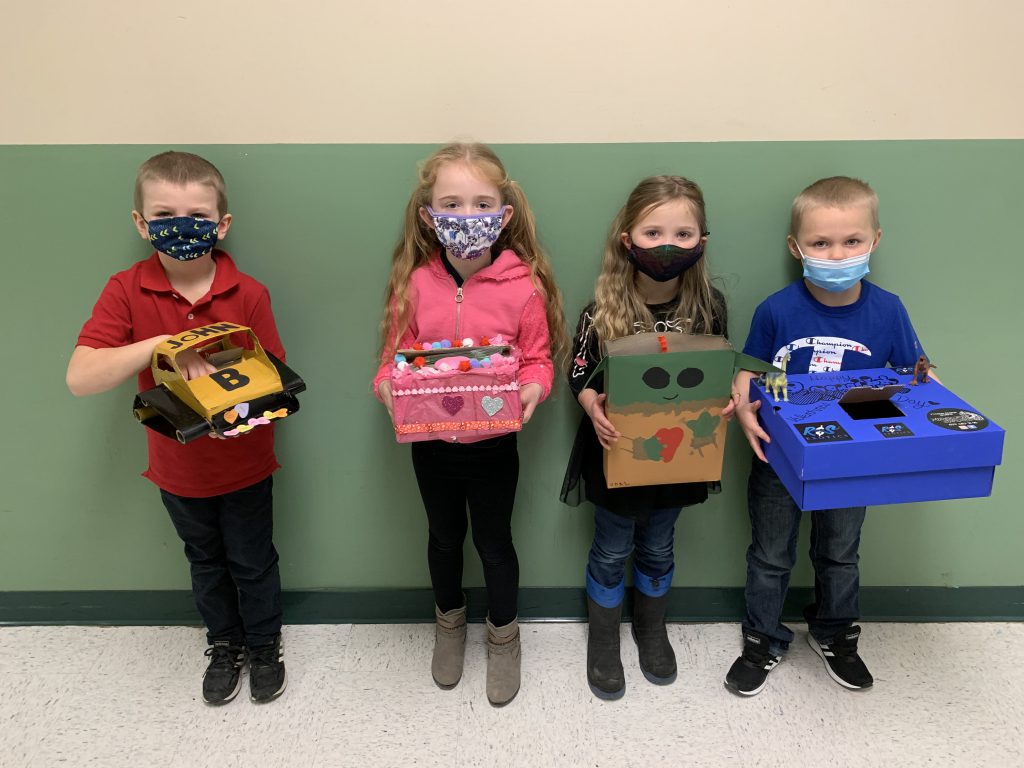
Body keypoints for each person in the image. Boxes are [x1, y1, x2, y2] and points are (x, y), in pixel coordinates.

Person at [66, 151, 288, 705]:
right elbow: (80, 377)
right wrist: (159, 346)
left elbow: (277, 378)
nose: (181, 226)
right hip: (177, 469)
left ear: (222, 224)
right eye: (164, 214)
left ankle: (264, 644)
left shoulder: (249, 293)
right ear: (141, 224)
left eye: (196, 214)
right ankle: (223, 643)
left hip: (245, 463)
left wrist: (237, 405)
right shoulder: (125, 290)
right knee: (205, 563)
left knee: (253, 559)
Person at [372, 142, 565, 706]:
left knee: (495, 542)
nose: (466, 215)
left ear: (503, 215)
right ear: (429, 215)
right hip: (430, 445)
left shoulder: (522, 285)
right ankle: (450, 624)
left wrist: (535, 387)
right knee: (442, 538)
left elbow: (537, 359)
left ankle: (504, 637)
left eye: (481, 203)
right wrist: (388, 386)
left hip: (494, 444)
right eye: (451, 203)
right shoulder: (414, 283)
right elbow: (392, 357)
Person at [725, 176, 926, 696]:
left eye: (851, 241)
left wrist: (938, 399)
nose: (837, 254)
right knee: (770, 554)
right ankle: (762, 638)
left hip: (852, 459)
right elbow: (748, 370)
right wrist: (746, 410)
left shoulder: (889, 309)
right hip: (777, 454)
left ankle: (835, 632)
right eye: (820, 243)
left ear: (875, 241)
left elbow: (915, 374)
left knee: (840, 553)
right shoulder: (777, 309)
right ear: (797, 248)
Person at [562, 176, 731, 699]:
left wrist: (726, 400)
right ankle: (605, 639)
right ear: (626, 238)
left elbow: (720, 369)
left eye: (683, 233)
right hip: (618, 451)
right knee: (612, 549)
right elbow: (578, 371)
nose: (667, 245)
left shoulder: (709, 305)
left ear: (702, 241)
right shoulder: (602, 308)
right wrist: (593, 405)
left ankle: (651, 627)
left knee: (659, 544)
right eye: (653, 231)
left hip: (680, 457)